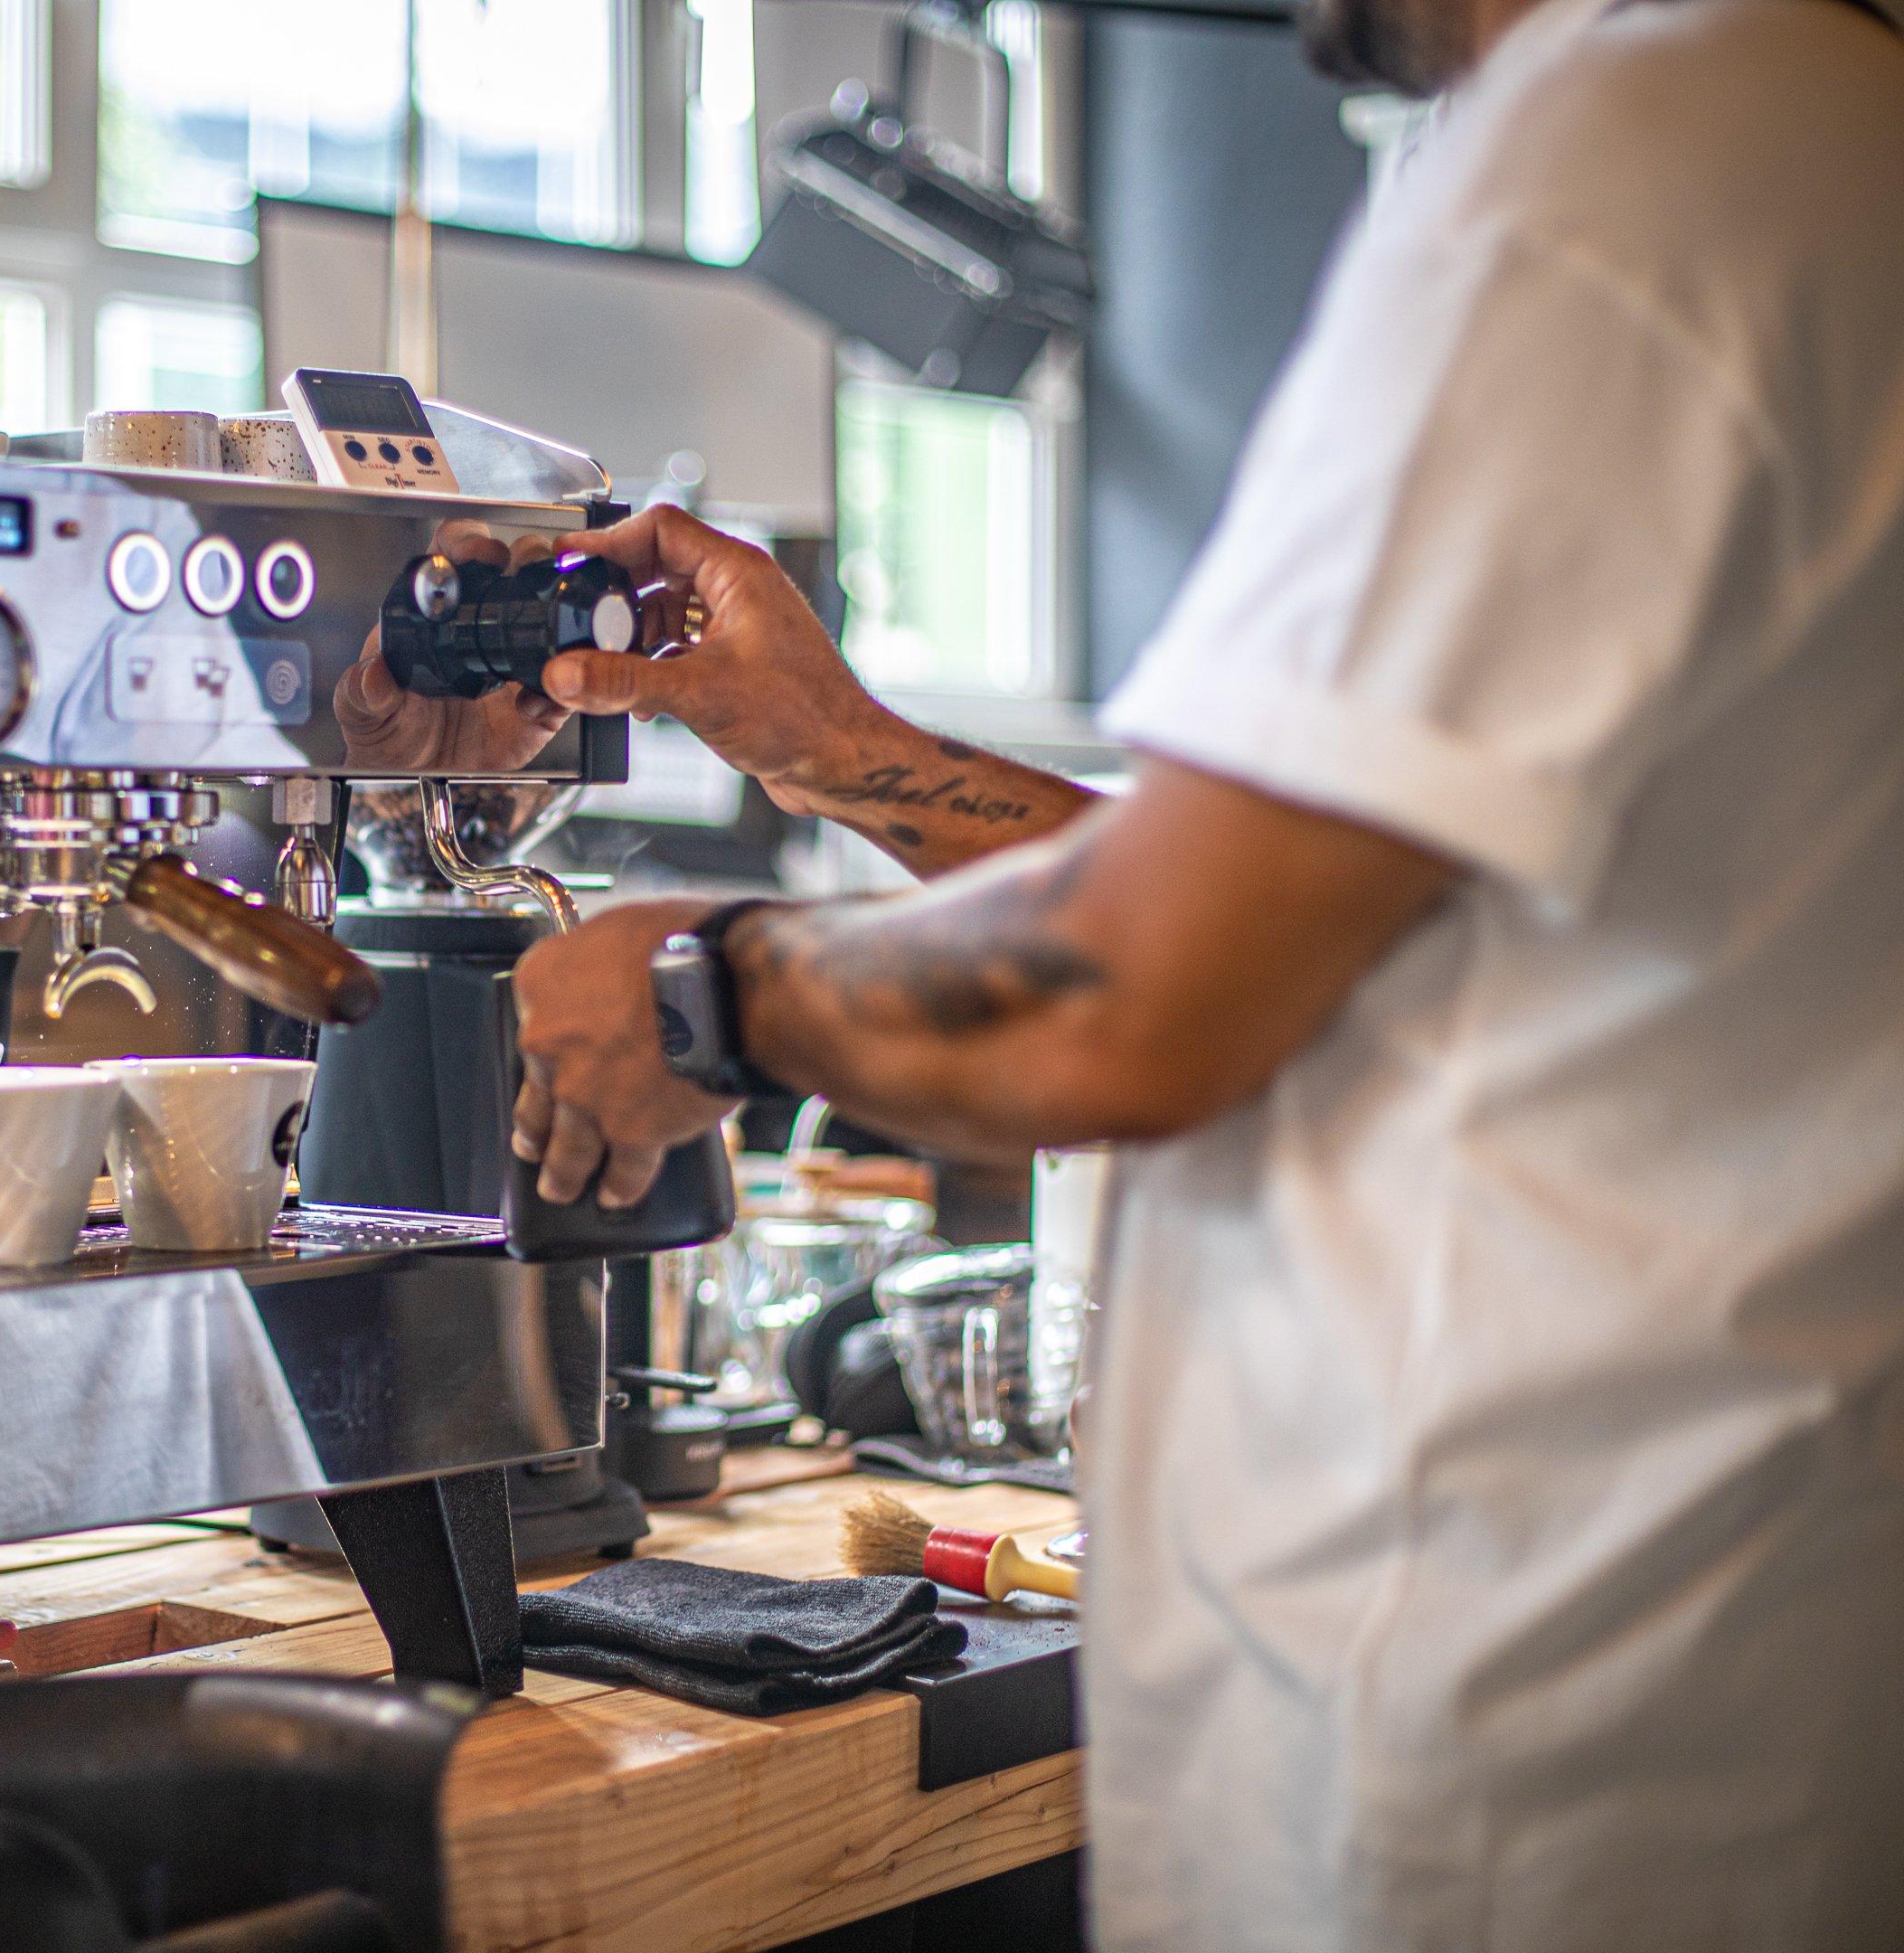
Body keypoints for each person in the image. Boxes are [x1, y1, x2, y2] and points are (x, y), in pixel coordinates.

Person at [485, 0, 1904, 1941]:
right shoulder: (1828, 139)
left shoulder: (1641, 140)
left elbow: (1141, 990)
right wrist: (822, 744)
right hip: (1713, 1669)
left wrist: (705, 992)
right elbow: (1305, 918)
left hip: (1501, 1732)